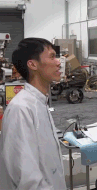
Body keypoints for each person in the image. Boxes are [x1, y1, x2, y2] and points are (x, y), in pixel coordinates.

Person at [0, 38, 67, 190]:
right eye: (52, 57)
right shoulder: (21, 110)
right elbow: (28, 181)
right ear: (32, 64)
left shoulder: (40, 102)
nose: (58, 62)